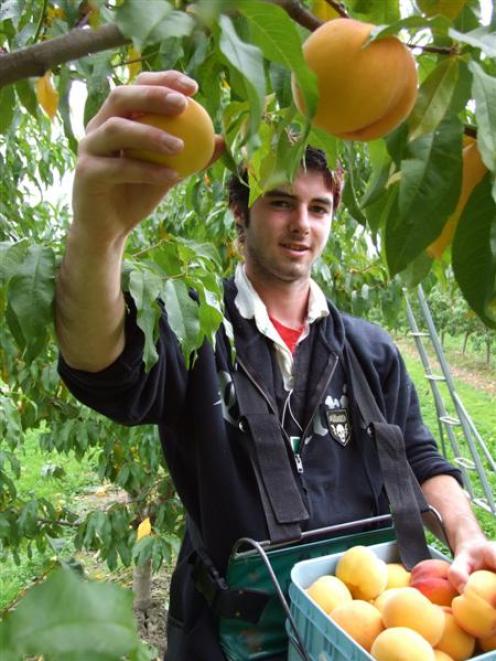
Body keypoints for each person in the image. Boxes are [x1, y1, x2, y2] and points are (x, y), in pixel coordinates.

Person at [55, 70, 496, 660]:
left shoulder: (371, 352)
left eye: (319, 208)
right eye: (281, 202)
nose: (302, 225)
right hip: (230, 636)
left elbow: (419, 458)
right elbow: (101, 367)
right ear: (240, 210)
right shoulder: (194, 329)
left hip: (358, 632)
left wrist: (466, 536)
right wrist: (98, 233)